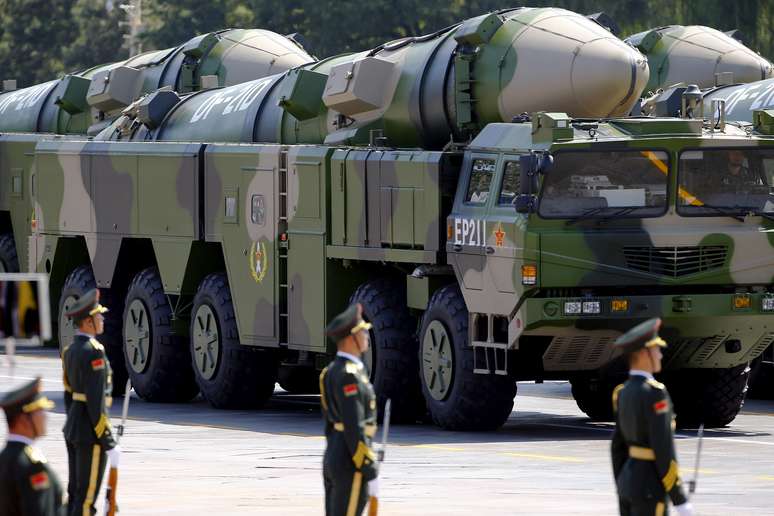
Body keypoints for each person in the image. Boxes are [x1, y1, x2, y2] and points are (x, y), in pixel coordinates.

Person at [610, 318, 694, 516]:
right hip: (650, 486)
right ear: (642, 353)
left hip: (627, 483)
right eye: (656, 349)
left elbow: (617, 448)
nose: (660, 354)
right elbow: (663, 449)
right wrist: (679, 499)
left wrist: (623, 482)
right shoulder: (655, 393)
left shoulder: (622, 392)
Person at [61, 289, 120, 516]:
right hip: (90, 434)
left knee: (75, 494)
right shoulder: (94, 353)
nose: (102, 319)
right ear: (87, 322)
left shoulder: (70, 351)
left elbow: (69, 395)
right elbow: (96, 404)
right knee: (86, 501)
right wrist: (108, 441)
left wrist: (74, 423)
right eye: (98, 316)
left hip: (73, 429)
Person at [319, 303, 379, 516]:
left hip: (335, 454)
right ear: (350, 338)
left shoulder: (330, 371)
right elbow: (354, 425)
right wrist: (367, 463)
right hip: (350, 460)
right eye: (362, 331)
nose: (365, 335)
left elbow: (330, 424)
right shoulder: (350, 375)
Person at [0, 377, 65, 515]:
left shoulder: (4, 458)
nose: (45, 417)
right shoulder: (32, 466)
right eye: (40, 412)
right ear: (24, 420)